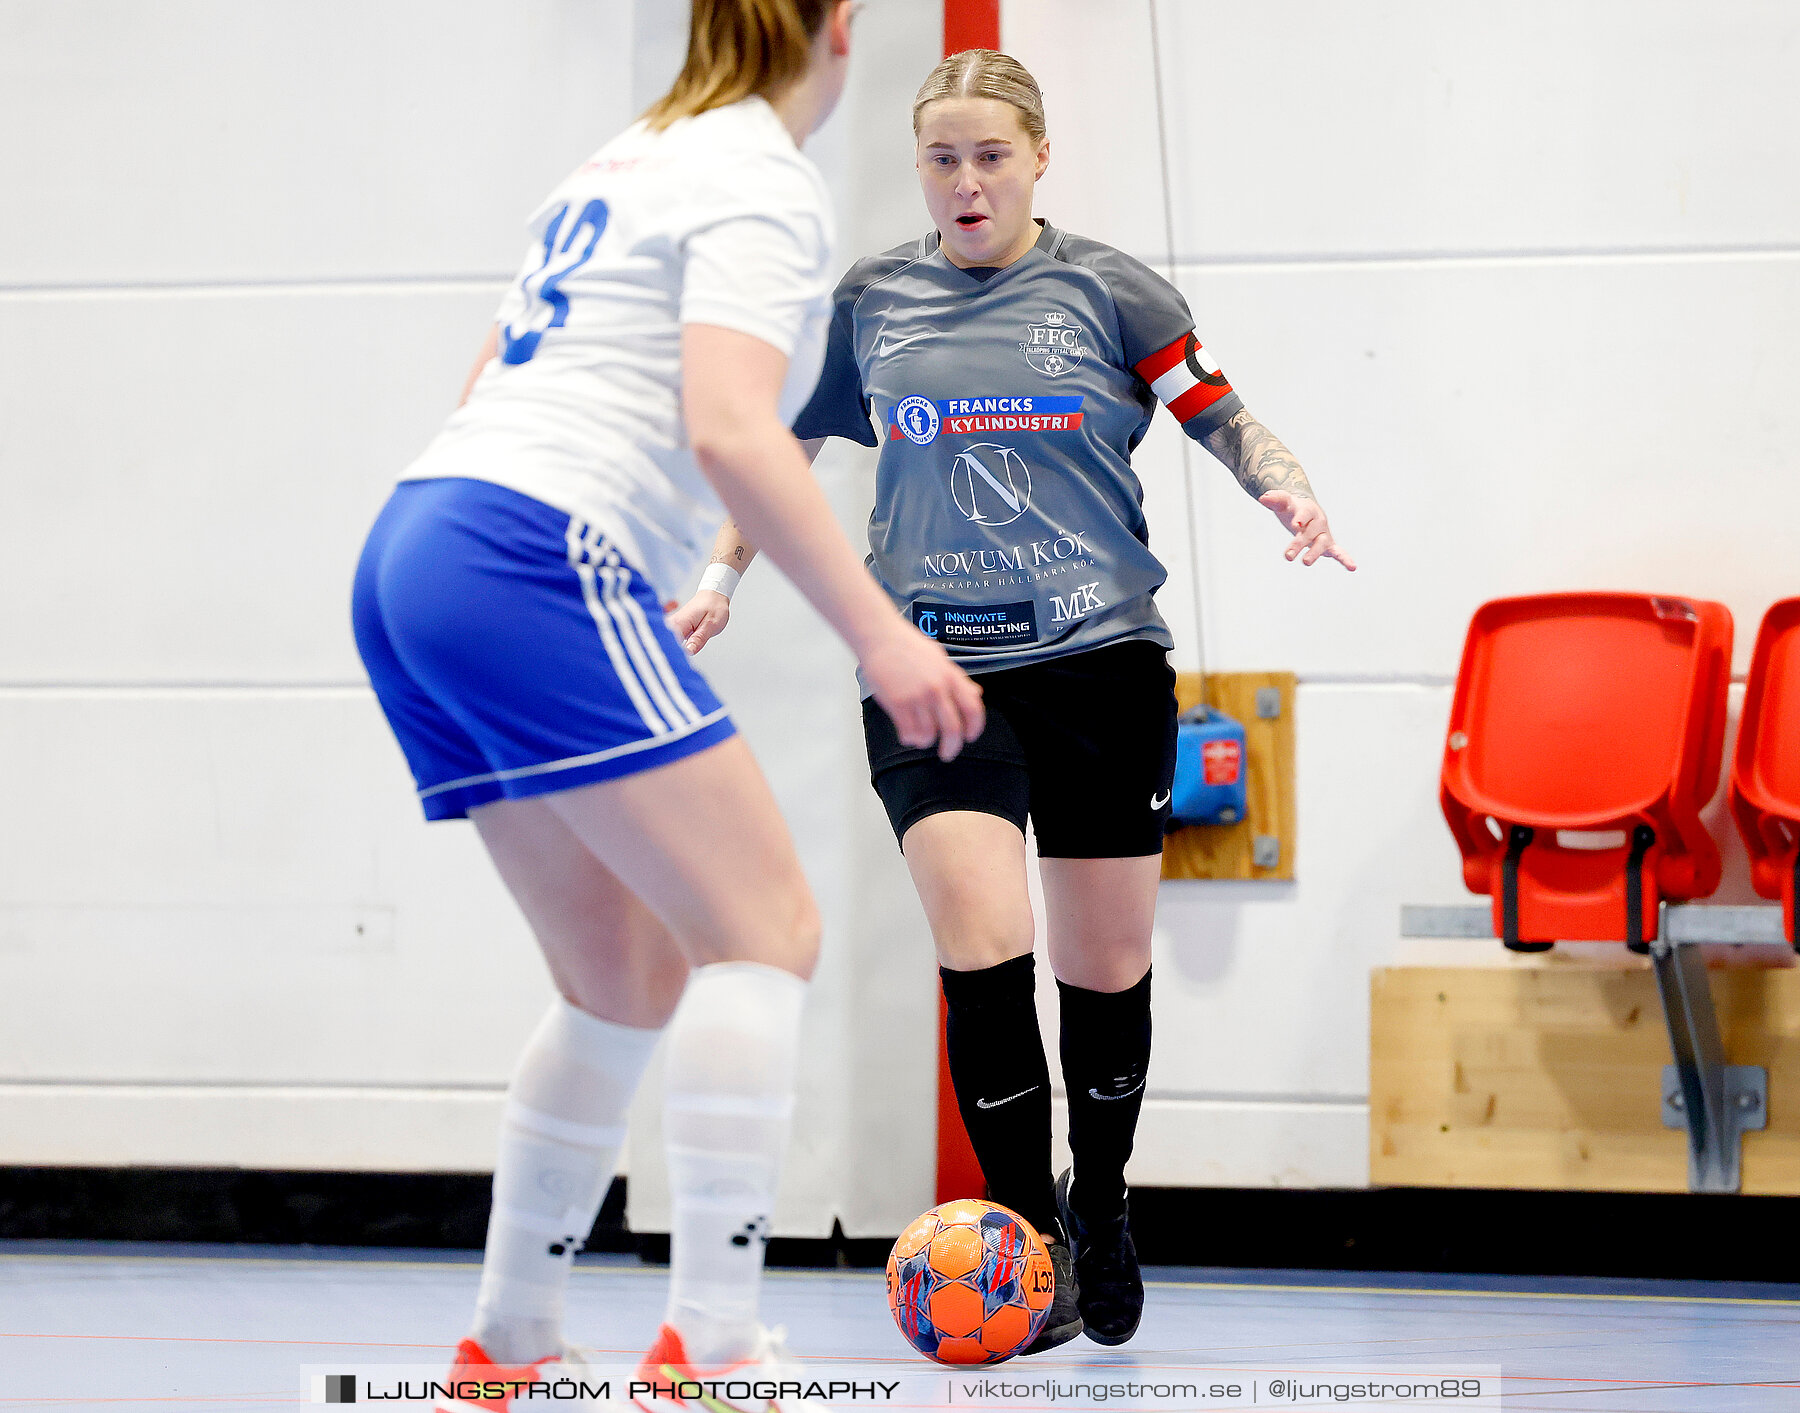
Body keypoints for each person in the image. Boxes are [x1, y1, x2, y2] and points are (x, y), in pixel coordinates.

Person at [670, 48, 1354, 1352]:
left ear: (1040, 158)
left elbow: (1225, 414)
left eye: (991, 155)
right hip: (933, 673)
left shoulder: (1106, 289)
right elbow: (779, 450)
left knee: (1103, 967)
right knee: (983, 951)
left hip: (1099, 664)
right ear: (918, 169)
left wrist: (1290, 491)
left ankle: (1100, 1200)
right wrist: (718, 574)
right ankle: (1019, 1235)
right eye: (942, 158)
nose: (967, 181)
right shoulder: (872, 302)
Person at [351, 3, 984, 1407]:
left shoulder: (626, 156)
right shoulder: (761, 172)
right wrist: (882, 637)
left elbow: (493, 380)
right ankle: (711, 1342)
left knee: (622, 979)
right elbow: (731, 425)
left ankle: (506, 1342)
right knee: (767, 931)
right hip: (528, 551)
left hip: (419, 538)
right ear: (838, 30)